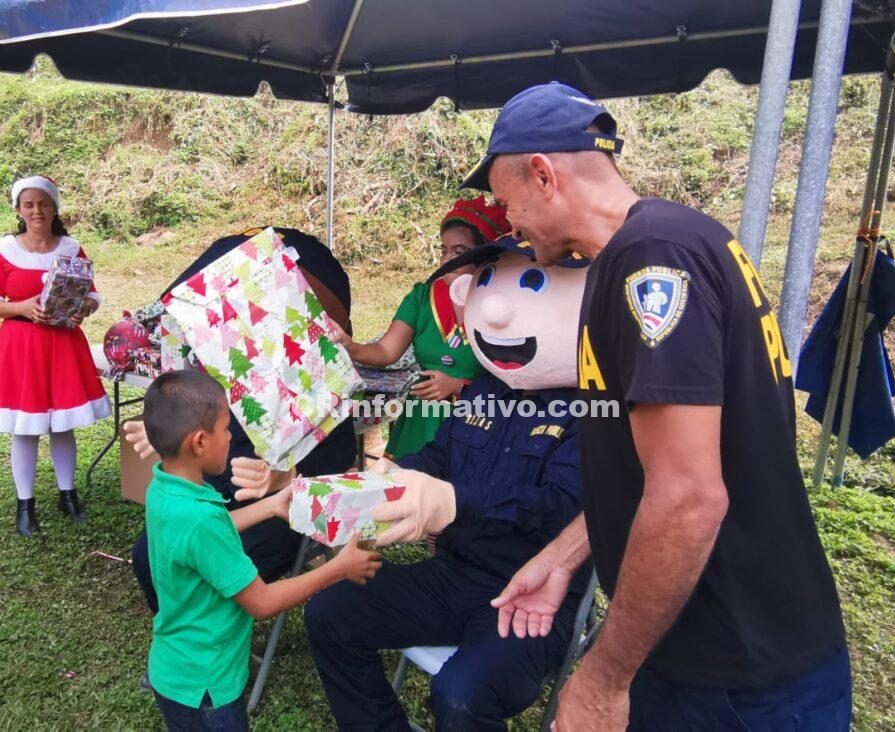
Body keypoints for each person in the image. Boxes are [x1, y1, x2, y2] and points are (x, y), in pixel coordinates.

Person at [471, 83, 850, 730]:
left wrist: (603, 680)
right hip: (694, 645)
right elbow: (656, 465)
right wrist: (562, 557)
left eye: (507, 202)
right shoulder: (669, 241)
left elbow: (687, 498)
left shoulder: (652, 261)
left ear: (543, 175)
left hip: (736, 672)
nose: (509, 224)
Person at [299, 238, 592, 731]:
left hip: (532, 596)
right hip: (453, 573)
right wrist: (389, 480)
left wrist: (453, 501)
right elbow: (438, 455)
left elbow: (558, 506)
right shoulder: (487, 387)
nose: (497, 311)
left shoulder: (596, 410)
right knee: (331, 611)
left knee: (460, 695)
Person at [124, 227, 357, 614]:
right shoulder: (234, 368)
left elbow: (333, 462)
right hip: (217, 500)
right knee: (148, 553)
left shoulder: (321, 384)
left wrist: (286, 475)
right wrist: (172, 437)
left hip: (280, 510)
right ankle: (190, 635)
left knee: (212, 571)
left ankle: (210, 638)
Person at [140, 369, 380, 731]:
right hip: (208, 687)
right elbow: (262, 602)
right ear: (200, 442)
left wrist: (270, 505)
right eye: (226, 429)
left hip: (171, 671)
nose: (231, 437)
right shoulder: (202, 521)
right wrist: (338, 568)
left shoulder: (164, 489)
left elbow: (211, 530)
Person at [0, 176, 110, 536]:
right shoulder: (4, 250)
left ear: (54, 207)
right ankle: (25, 504)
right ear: (19, 210)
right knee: (26, 425)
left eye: (44, 203)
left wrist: (84, 308)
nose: (37, 211)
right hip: (21, 347)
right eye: (29, 204)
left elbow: (92, 294)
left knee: (62, 423)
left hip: (63, 345)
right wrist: (22, 307)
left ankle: (67, 494)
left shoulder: (72, 248)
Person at [328, 196, 510, 459]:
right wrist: (350, 345)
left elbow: (516, 379)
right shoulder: (422, 298)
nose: (447, 260)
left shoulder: (504, 308)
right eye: (444, 250)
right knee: (412, 482)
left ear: (486, 255)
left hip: (478, 421)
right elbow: (386, 351)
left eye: (459, 252)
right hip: (422, 420)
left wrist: (459, 386)